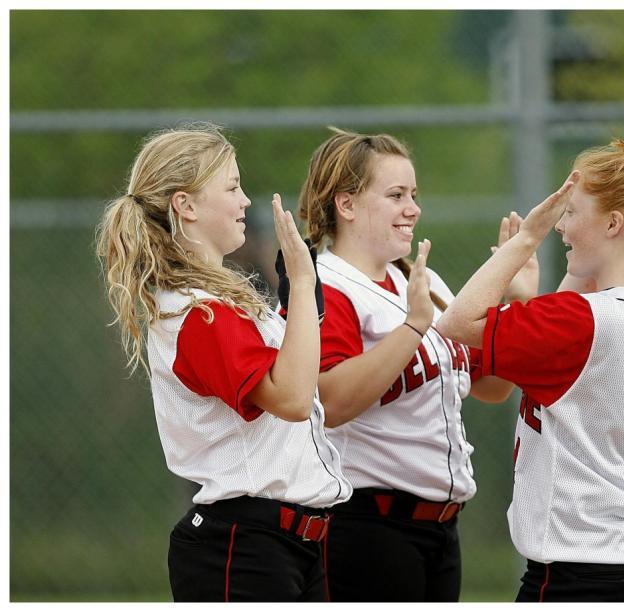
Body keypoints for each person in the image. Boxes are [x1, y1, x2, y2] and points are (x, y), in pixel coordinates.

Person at [436, 121, 624, 602]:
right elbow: (572, 348)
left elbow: (457, 323)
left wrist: (525, 239)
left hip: (585, 570)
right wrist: (535, 294)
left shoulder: (582, 321)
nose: (561, 227)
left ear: (614, 224)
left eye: (569, 213)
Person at [94, 123, 352, 602]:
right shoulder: (199, 313)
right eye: (232, 187)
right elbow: (293, 400)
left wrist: (299, 306)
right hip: (245, 546)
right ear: (185, 205)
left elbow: (295, 385)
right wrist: (299, 284)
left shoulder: (218, 302)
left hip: (285, 544)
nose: (245, 201)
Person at [281, 127, 530, 602]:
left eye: (413, 194)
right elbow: (328, 401)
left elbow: (492, 387)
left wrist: (517, 304)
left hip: (440, 529)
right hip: (366, 527)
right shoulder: (325, 286)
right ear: (346, 204)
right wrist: (413, 328)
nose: (412, 208)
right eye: (395, 195)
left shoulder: (423, 281)